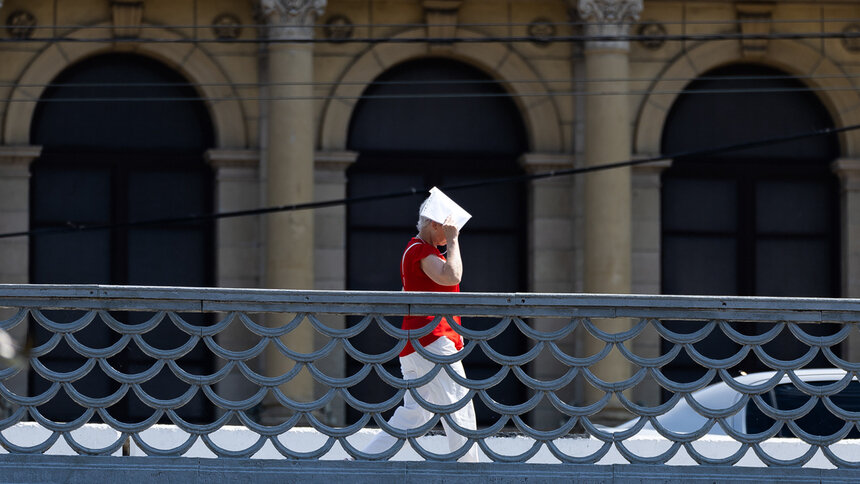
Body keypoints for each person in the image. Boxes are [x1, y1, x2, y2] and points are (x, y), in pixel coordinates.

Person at [360, 198, 479, 462]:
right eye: (447, 228)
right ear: (436, 224)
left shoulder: (415, 250)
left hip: (418, 343)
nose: (449, 234)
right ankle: (471, 474)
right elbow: (452, 276)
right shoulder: (421, 251)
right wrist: (454, 241)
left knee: (414, 414)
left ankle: (364, 461)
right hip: (433, 340)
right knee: (459, 405)